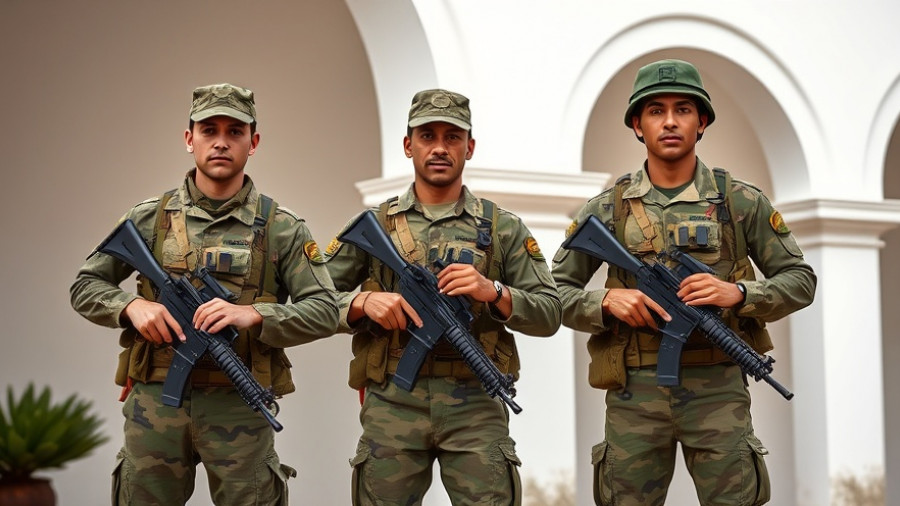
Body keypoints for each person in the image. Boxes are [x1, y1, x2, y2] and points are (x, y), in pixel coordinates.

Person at [551, 59, 817, 505]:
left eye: (683, 109)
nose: (670, 121)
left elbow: (801, 280)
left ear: (702, 122)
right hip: (634, 390)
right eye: (655, 110)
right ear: (637, 124)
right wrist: (606, 302)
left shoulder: (739, 201)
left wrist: (739, 293)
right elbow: (550, 295)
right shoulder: (607, 209)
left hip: (719, 388)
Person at [70, 83, 340, 505]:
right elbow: (85, 286)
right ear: (188, 138)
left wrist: (254, 315)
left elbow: (325, 309)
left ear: (253, 142)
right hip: (155, 401)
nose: (220, 141)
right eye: (209, 129)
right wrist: (131, 306)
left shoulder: (281, 227)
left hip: (239, 406)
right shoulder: (149, 218)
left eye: (234, 131)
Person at [324, 88, 561, 505]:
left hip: (476, 404)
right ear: (407, 145)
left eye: (452, 137)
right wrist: (361, 304)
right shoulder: (375, 225)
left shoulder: (502, 228)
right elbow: (314, 301)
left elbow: (550, 312)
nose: (439, 148)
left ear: (469, 147)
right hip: (393, 402)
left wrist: (494, 292)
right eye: (427, 136)